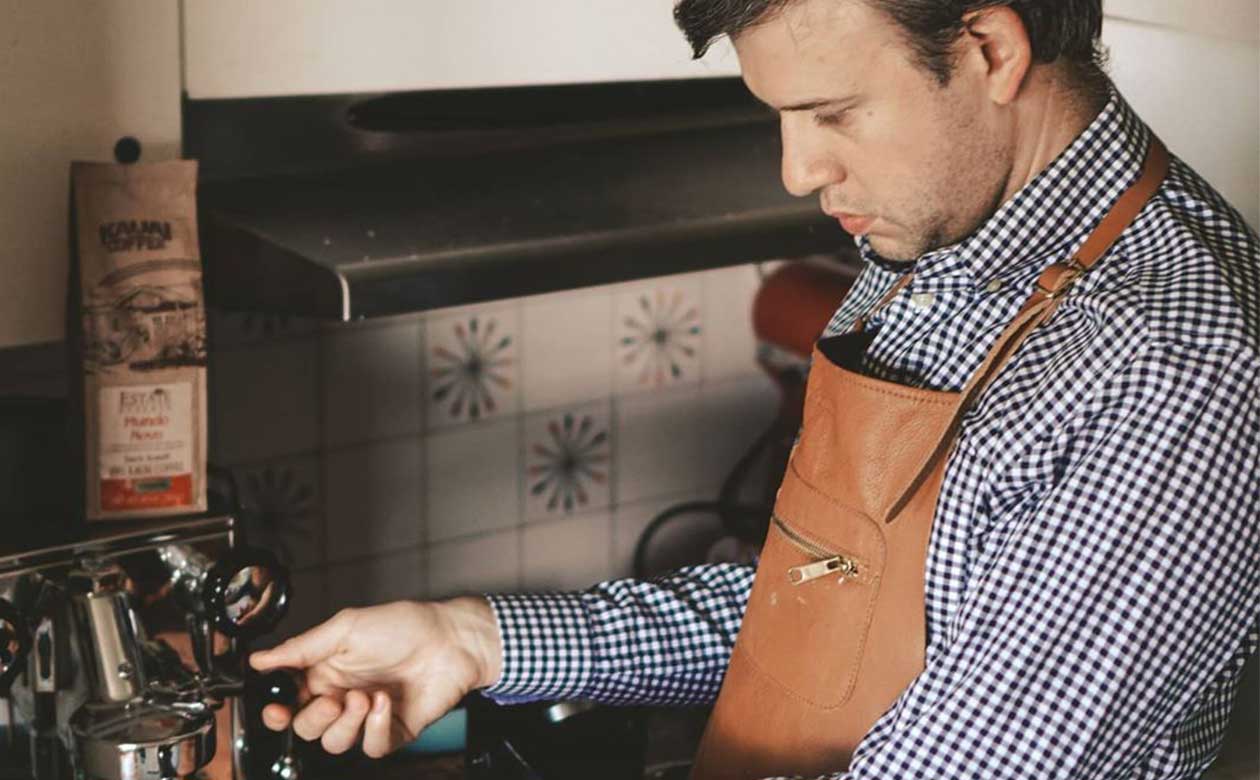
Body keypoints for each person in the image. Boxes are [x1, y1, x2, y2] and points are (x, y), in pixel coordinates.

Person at [250, 1, 1260, 777]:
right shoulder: (941, 245)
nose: (795, 169)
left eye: (833, 114)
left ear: (991, 48)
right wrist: (477, 639)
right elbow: (835, 604)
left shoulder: (1170, 363)